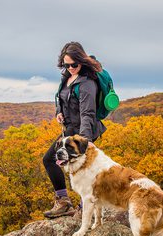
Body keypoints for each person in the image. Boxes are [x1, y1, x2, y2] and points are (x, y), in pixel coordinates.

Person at [43, 41, 107, 218]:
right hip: (69, 128)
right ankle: (63, 202)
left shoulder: (87, 83)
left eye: (74, 64)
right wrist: (59, 112)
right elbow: (60, 98)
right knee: (50, 160)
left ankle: (83, 208)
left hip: (82, 132)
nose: (70, 67)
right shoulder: (67, 77)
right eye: (66, 64)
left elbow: (87, 113)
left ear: (81, 61)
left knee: (83, 169)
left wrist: (85, 142)